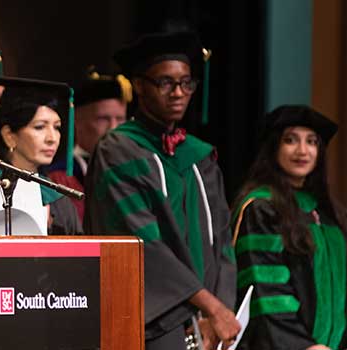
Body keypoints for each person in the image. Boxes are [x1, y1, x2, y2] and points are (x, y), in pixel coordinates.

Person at [84, 31, 240, 349]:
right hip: (155, 322)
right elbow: (141, 243)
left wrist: (220, 310)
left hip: (210, 323)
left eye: (186, 83)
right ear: (139, 86)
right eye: (165, 83)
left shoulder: (199, 156)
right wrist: (210, 306)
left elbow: (222, 241)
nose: (178, 93)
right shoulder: (120, 150)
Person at [232, 105, 345, 350]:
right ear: (274, 147)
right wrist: (301, 345)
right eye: (290, 140)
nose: (302, 151)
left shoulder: (327, 212)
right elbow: (266, 291)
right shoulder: (261, 207)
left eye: (312, 142)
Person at [0, 76, 80, 234]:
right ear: (9, 135)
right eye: (39, 127)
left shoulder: (54, 193)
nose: (52, 138)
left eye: (57, 127)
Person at [48, 68, 130, 221]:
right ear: (77, 121)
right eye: (103, 119)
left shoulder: (135, 168)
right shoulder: (62, 177)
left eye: (120, 119)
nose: (113, 128)